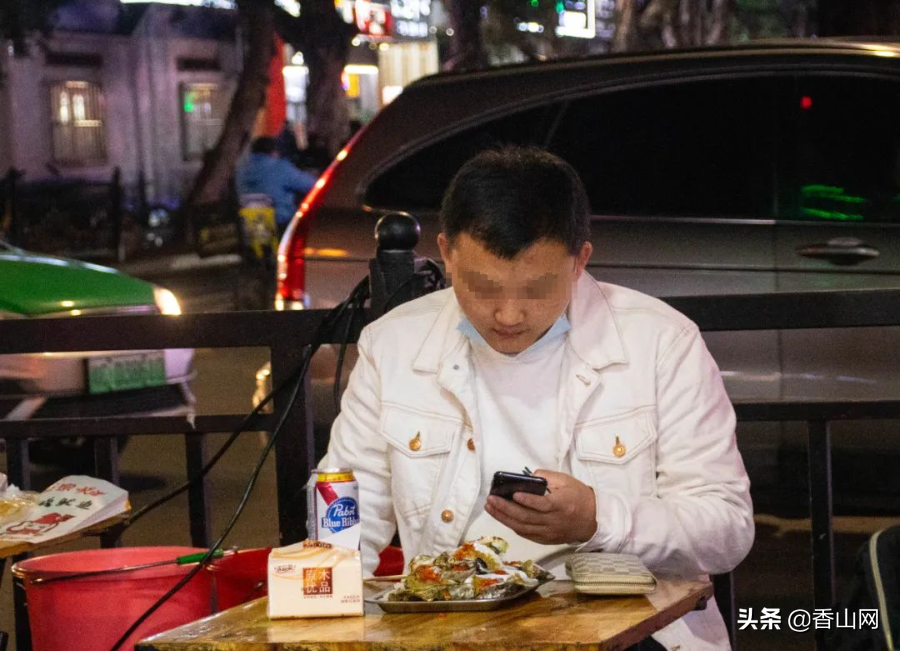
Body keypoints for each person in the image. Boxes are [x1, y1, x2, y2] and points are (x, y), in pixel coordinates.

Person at [323, 146, 754, 650]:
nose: (508, 314)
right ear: (446, 253)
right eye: (481, 287)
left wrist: (598, 518)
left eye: (536, 289)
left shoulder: (659, 342)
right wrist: (324, 592)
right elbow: (346, 509)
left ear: (580, 262)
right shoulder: (394, 344)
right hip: (452, 632)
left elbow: (727, 530)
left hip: (629, 633)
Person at [237, 136, 316, 236]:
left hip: (250, 226)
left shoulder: (241, 171)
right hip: (280, 226)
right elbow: (311, 185)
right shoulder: (279, 167)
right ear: (274, 152)